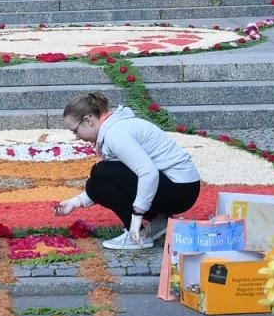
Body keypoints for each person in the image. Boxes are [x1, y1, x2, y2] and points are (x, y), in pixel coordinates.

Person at [52, 91, 202, 251]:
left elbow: (148, 173)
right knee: (97, 180)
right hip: (183, 187)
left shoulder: (116, 134)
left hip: (180, 189)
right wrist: (74, 203)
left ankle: (137, 235)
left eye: (75, 130)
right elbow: (109, 185)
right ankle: (161, 220)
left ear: (88, 121)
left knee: (100, 172)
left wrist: (137, 218)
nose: (76, 137)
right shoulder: (114, 127)